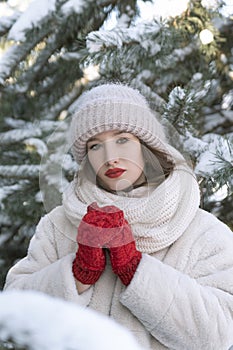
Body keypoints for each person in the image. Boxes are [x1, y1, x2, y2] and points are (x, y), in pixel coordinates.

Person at [4, 83, 233, 349]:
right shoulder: (59, 225)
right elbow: (13, 313)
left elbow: (220, 333)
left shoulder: (202, 231)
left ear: (147, 146)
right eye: (95, 146)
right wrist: (77, 274)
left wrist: (136, 270)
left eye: (122, 139)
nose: (110, 157)